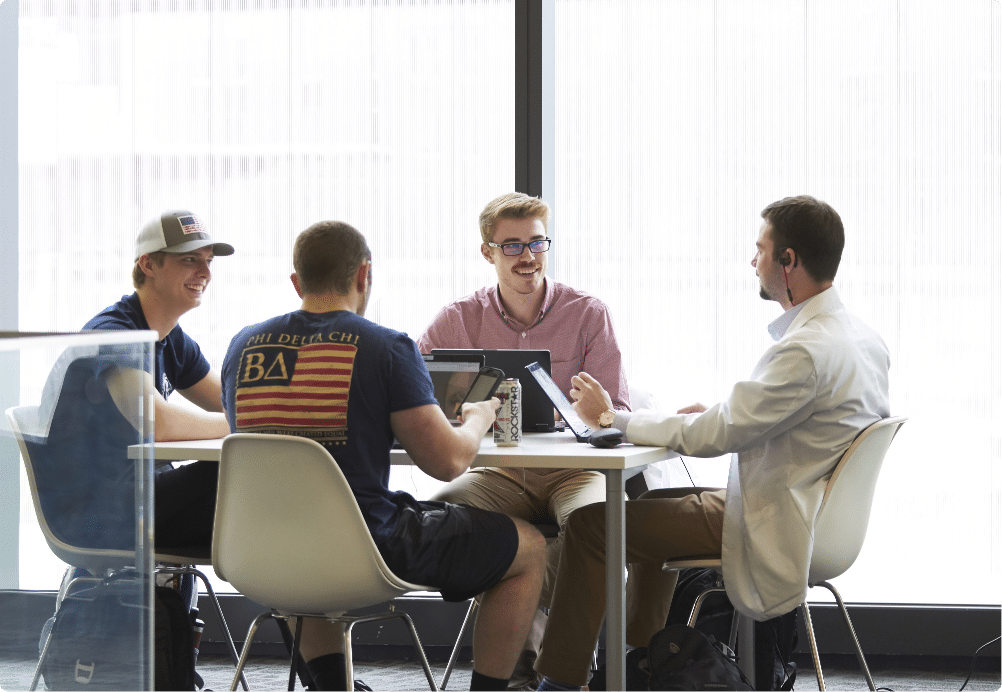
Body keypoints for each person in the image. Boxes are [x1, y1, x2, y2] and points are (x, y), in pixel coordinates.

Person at [531, 195, 892, 691]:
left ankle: (562, 681)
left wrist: (612, 417)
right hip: (811, 512)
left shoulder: (805, 350)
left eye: (760, 249)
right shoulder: (859, 338)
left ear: (788, 260)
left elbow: (715, 438)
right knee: (650, 505)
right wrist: (722, 416)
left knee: (596, 524)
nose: (753, 261)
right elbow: (789, 420)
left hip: (774, 517)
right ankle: (643, 661)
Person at [220, 220, 547, 692]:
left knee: (310, 544)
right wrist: (477, 417)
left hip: (264, 546)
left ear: (297, 282)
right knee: (530, 547)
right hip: (367, 545)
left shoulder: (241, 345)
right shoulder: (384, 347)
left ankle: (331, 686)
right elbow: (447, 462)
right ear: (363, 275)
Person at [416, 192, 631, 689]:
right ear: (487, 252)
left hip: (574, 471)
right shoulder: (457, 320)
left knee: (599, 526)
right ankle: (518, 660)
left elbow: (613, 415)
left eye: (537, 243)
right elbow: (416, 397)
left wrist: (594, 415)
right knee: (439, 520)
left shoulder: (587, 313)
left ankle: (553, 671)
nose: (528, 257)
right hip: (496, 475)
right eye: (511, 246)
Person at [34, 209, 232, 554]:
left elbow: (230, 401)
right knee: (240, 482)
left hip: (136, 498)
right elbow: (158, 423)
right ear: (148, 265)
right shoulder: (116, 333)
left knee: (248, 478)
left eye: (209, 261)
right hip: (92, 518)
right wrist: (241, 425)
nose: (204, 272)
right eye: (189, 260)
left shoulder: (170, 337)